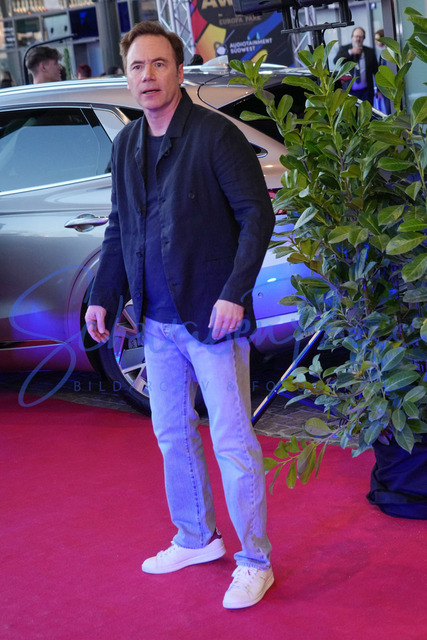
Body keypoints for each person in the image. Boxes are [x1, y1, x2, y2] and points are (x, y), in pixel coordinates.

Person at [85, 21, 275, 610]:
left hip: (212, 318)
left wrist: (234, 292)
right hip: (155, 323)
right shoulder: (126, 145)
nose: (148, 76)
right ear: (127, 77)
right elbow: (121, 227)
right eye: (137, 67)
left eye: (159, 64)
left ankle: (256, 561)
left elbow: (257, 216)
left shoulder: (215, 136)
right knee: (172, 435)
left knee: (232, 442)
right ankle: (196, 538)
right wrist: (103, 295)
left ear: (179, 70)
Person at [334, 27, 378, 104]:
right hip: (349, 91)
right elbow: (336, 61)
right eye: (356, 36)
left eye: (360, 37)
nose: (358, 39)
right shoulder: (344, 49)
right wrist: (350, 52)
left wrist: (379, 90)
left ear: (363, 38)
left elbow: (376, 71)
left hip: (366, 92)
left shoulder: (370, 51)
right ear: (352, 37)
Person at [374, 29, 392, 114]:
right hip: (385, 89)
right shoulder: (382, 53)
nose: (376, 42)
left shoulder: (389, 52)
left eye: (378, 39)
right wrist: (379, 90)